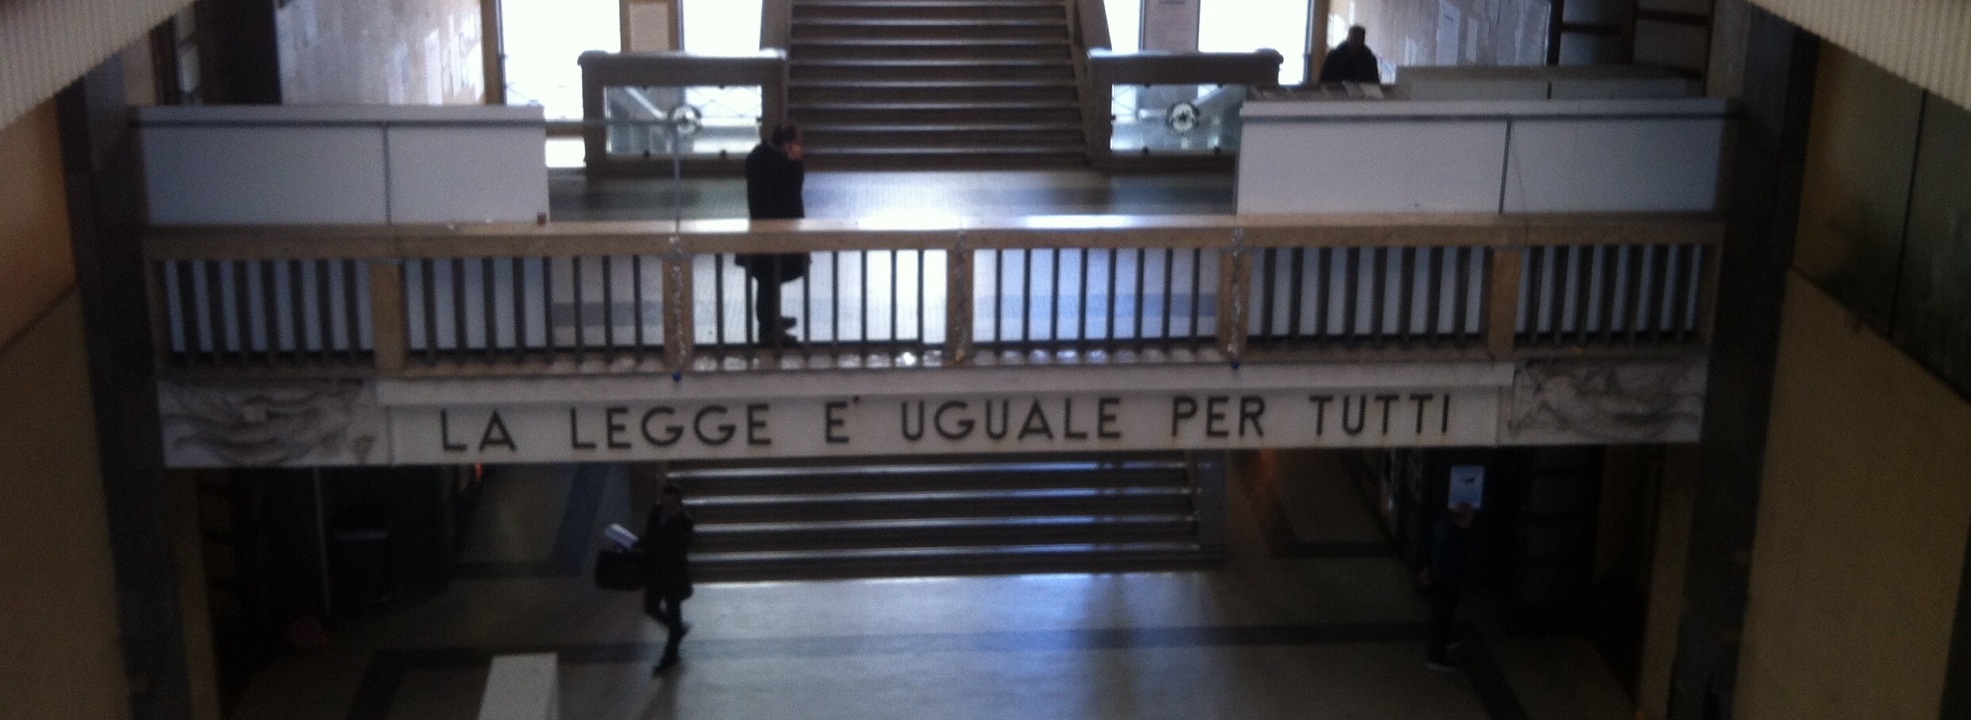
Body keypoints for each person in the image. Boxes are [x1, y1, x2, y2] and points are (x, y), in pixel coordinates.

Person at [741, 122, 811, 347]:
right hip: (776, 230)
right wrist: (796, 164)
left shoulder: (759, 156)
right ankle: (768, 329)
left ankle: (770, 319)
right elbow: (791, 192)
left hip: (762, 226)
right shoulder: (779, 164)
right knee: (770, 279)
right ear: (788, 145)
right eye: (797, 143)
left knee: (769, 279)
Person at [642, 484, 695, 674]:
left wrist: (674, 520)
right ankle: (677, 629)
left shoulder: (684, 519)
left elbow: (682, 545)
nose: (665, 504)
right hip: (655, 573)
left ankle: (670, 655)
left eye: (669, 500)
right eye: (663, 499)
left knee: (673, 612)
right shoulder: (656, 512)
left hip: (674, 576)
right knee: (650, 607)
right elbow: (650, 536)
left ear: (677, 500)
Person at [1418, 502, 1475, 672]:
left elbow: (1429, 549)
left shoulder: (1441, 528)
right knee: (1443, 617)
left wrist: (1426, 571)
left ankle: (1445, 639)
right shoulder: (1457, 538)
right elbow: (1449, 566)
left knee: (1441, 616)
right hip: (1447, 584)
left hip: (1439, 582)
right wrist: (1433, 578)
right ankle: (1436, 656)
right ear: (1464, 519)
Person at [1317, 25, 1382, 85]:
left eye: (1358, 38)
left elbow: (1375, 83)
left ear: (1363, 40)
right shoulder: (1333, 57)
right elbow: (1323, 80)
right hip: (1336, 92)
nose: (1354, 40)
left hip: (1361, 93)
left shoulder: (1369, 60)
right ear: (1347, 37)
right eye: (1352, 36)